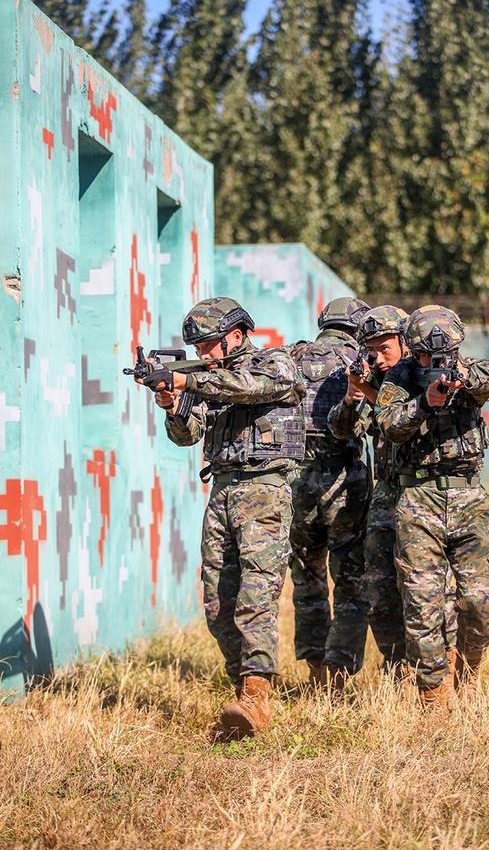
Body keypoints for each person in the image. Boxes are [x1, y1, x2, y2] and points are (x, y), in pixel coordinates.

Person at [139, 297, 305, 738]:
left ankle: (256, 695)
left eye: (211, 345)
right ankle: (241, 692)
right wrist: (172, 401)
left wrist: (189, 381)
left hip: (264, 492)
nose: (204, 355)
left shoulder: (276, 364)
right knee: (218, 601)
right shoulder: (205, 379)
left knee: (256, 595)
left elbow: (246, 388)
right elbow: (187, 435)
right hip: (223, 490)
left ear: (237, 334)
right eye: (198, 349)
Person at [374, 305, 489, 706]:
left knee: (480, 604)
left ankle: (469, 665)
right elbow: (389, 424)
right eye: (428, 357)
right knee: (422, 604)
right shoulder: (399, 378)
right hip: (418, 498)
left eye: (445, 353)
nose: (437, 362)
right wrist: (424, 403)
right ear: (414, 352)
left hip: (467, 498)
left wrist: (463, 380)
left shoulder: (472, 369)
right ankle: (434, 696)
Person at [328, 306, 458, 677]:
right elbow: (343, 429)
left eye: (384, 347)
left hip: (427, 492)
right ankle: (398, 666)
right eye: (370, 349)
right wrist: (355, 396)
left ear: (405, 342)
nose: (376, 356)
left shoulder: (424, 377)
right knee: (380, 589)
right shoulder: (375, 383)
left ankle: (444, 665)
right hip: (386, 493)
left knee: (431, 588)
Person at [289, 296, 372, 689]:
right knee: (351, 581)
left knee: (308, 579)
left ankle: (315, 671)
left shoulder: (291, 357)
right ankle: (339, 676)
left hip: (294, 482)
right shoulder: (362, 363)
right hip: (344, 481)